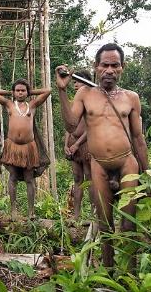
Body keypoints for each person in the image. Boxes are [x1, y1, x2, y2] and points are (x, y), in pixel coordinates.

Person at [56, 42, 149, 268]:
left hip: (127, 164)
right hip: (98, 165)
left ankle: (130, 274)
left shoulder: (131, 98)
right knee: (104, 222)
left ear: (122, 67)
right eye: (104, 65)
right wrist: (61, 90)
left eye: (114, 65)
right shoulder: (85, 95)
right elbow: (70, 125)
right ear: (96, 67)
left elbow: (138, 138)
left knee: (129, 222)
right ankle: (108, 272)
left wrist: (148, 174)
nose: (109, 70)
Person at [0, 80, 52, 219]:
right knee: (12, 177)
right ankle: (13, 211)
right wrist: (9, 92)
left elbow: (48, 91)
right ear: (13, 92)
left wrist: (31, 91)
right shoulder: (9, 105)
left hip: (28, 147)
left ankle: (31, 212)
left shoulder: (32, 105)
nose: (20, 93)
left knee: (29, 178)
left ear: (27, 92)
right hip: (13, 147)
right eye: (17, 90)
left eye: (23, 90)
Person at [63, 70, 93, 221]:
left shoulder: (91, 103)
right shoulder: (73, 102)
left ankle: (94, 215)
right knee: (77, 178)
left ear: (87, 83)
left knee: (90, 178)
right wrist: (66, 145)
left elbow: (91, 128)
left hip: (85, 144)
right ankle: (76, 215)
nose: (75, 84)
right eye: (74, 82)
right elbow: (68, 127)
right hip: (72, 145)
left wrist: (78, 144)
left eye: (79, 81)